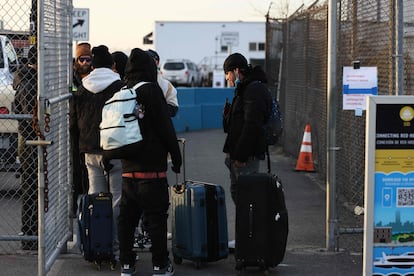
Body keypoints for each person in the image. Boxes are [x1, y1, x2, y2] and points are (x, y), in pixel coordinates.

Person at [113, 48, 182, 276]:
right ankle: (160, 265)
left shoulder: (123, 90)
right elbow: (165, 127)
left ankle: (126, 264)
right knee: (156, 219)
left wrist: (107, 158)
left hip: (128, 171)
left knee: (127, 219)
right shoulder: (152, 91)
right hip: (152, 171)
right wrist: (176, 156)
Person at [69, 45, 125, 260]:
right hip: (114, 149)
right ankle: (117, 248)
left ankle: (97, 246)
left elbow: (74, 123)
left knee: (95, 198)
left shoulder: (82, 87)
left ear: (93, 64)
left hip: (89, 150)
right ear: (112, 65)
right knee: (117, 200)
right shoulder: (119, 86)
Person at [222, 52, 271, 205]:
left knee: (247, 201)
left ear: (236, 70)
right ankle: (244, 228)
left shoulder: (253, 90)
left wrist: (241, 156)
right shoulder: (245, 88)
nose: (227, 78)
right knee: (240, 197)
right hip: (239, 157)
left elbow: (252, 125)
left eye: (227, 73)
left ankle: (250, 229)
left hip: (246, 159)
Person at [13, 46, 38, 250]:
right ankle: (30, 234)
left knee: (31, 186)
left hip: (28, 139)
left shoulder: (25, 79)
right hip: (31, 140)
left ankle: (31, 232)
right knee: (32, 186)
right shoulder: (30, 83)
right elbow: (33, 116)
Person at [71, 42, 93, 215]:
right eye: (81, 59)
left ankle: (87, 205)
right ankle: (73, 205)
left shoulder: (94, 79)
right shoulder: (70, 77)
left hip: (87, 130)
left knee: (88, 171)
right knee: (73, 170)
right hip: (72, 130)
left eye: (88, 59)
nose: (85, 63)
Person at [146, 49, 179, 117]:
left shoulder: (166, 85)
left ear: (157, 62)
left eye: (149, 60)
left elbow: (173, 108)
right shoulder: (133, 81)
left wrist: (156, 109)